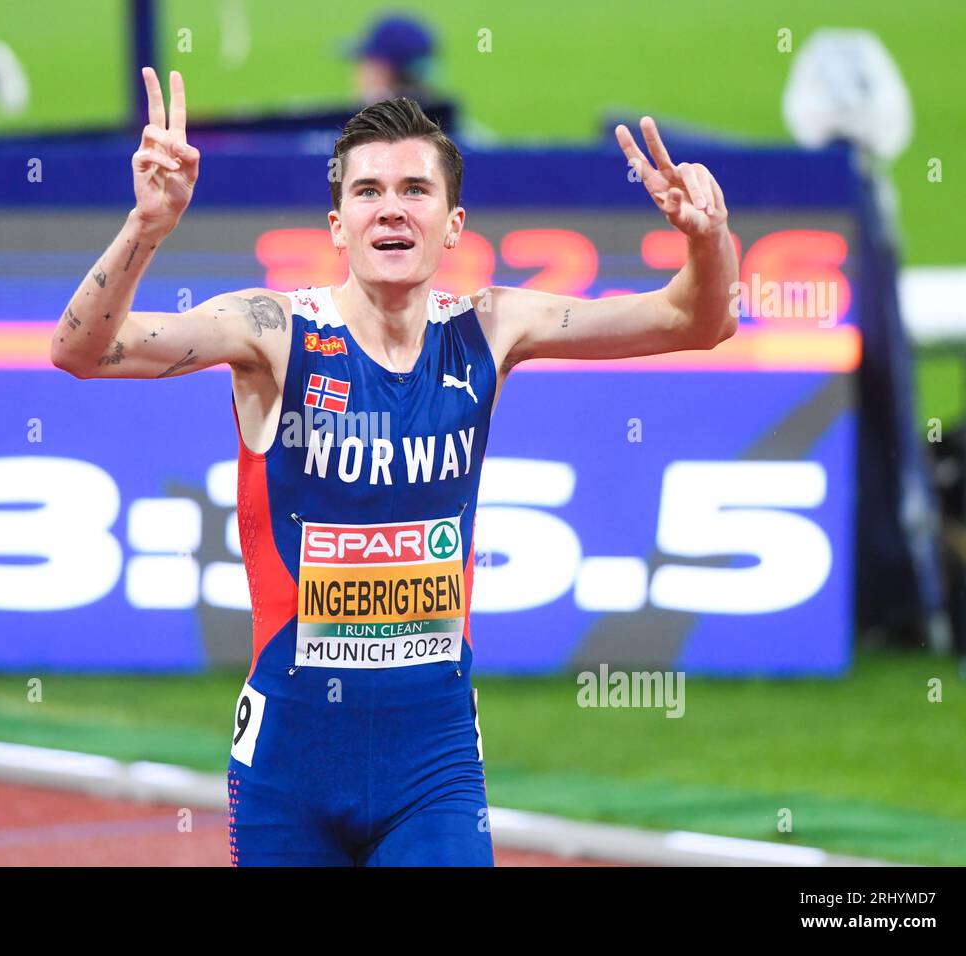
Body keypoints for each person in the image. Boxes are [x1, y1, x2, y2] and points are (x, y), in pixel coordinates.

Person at [51, 67, 738, 866]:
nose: (392, 208)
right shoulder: (274, 333)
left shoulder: (490, 328)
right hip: (289, 766)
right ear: (337, 224)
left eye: (415, 190)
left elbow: (700, 319)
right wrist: (147, 226)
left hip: (434, 764)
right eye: (370, 191)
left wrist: (706, 236)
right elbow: (82, 350)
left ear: (452, 224)